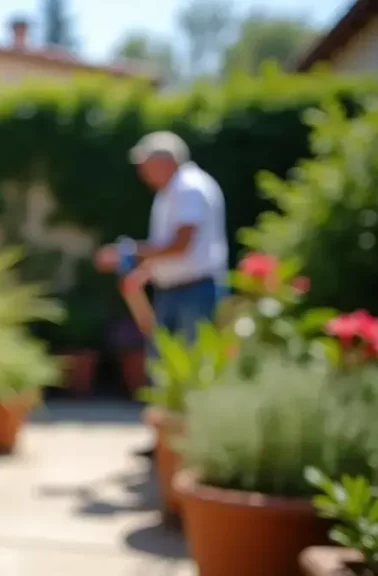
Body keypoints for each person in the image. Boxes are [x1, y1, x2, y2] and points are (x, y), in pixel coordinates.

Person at [94, 131, 228, 458]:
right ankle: (168, 443)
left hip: (195, 291)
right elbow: (173, 249)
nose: (141, 172)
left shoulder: (190, 188)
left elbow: (181, 245)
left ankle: (194, 446)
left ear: (165, 161)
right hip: (176, 290)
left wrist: (127, 254)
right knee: (167, 368)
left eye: (145, 164)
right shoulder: (170, 192)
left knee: (192, 368)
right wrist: (144, 273)